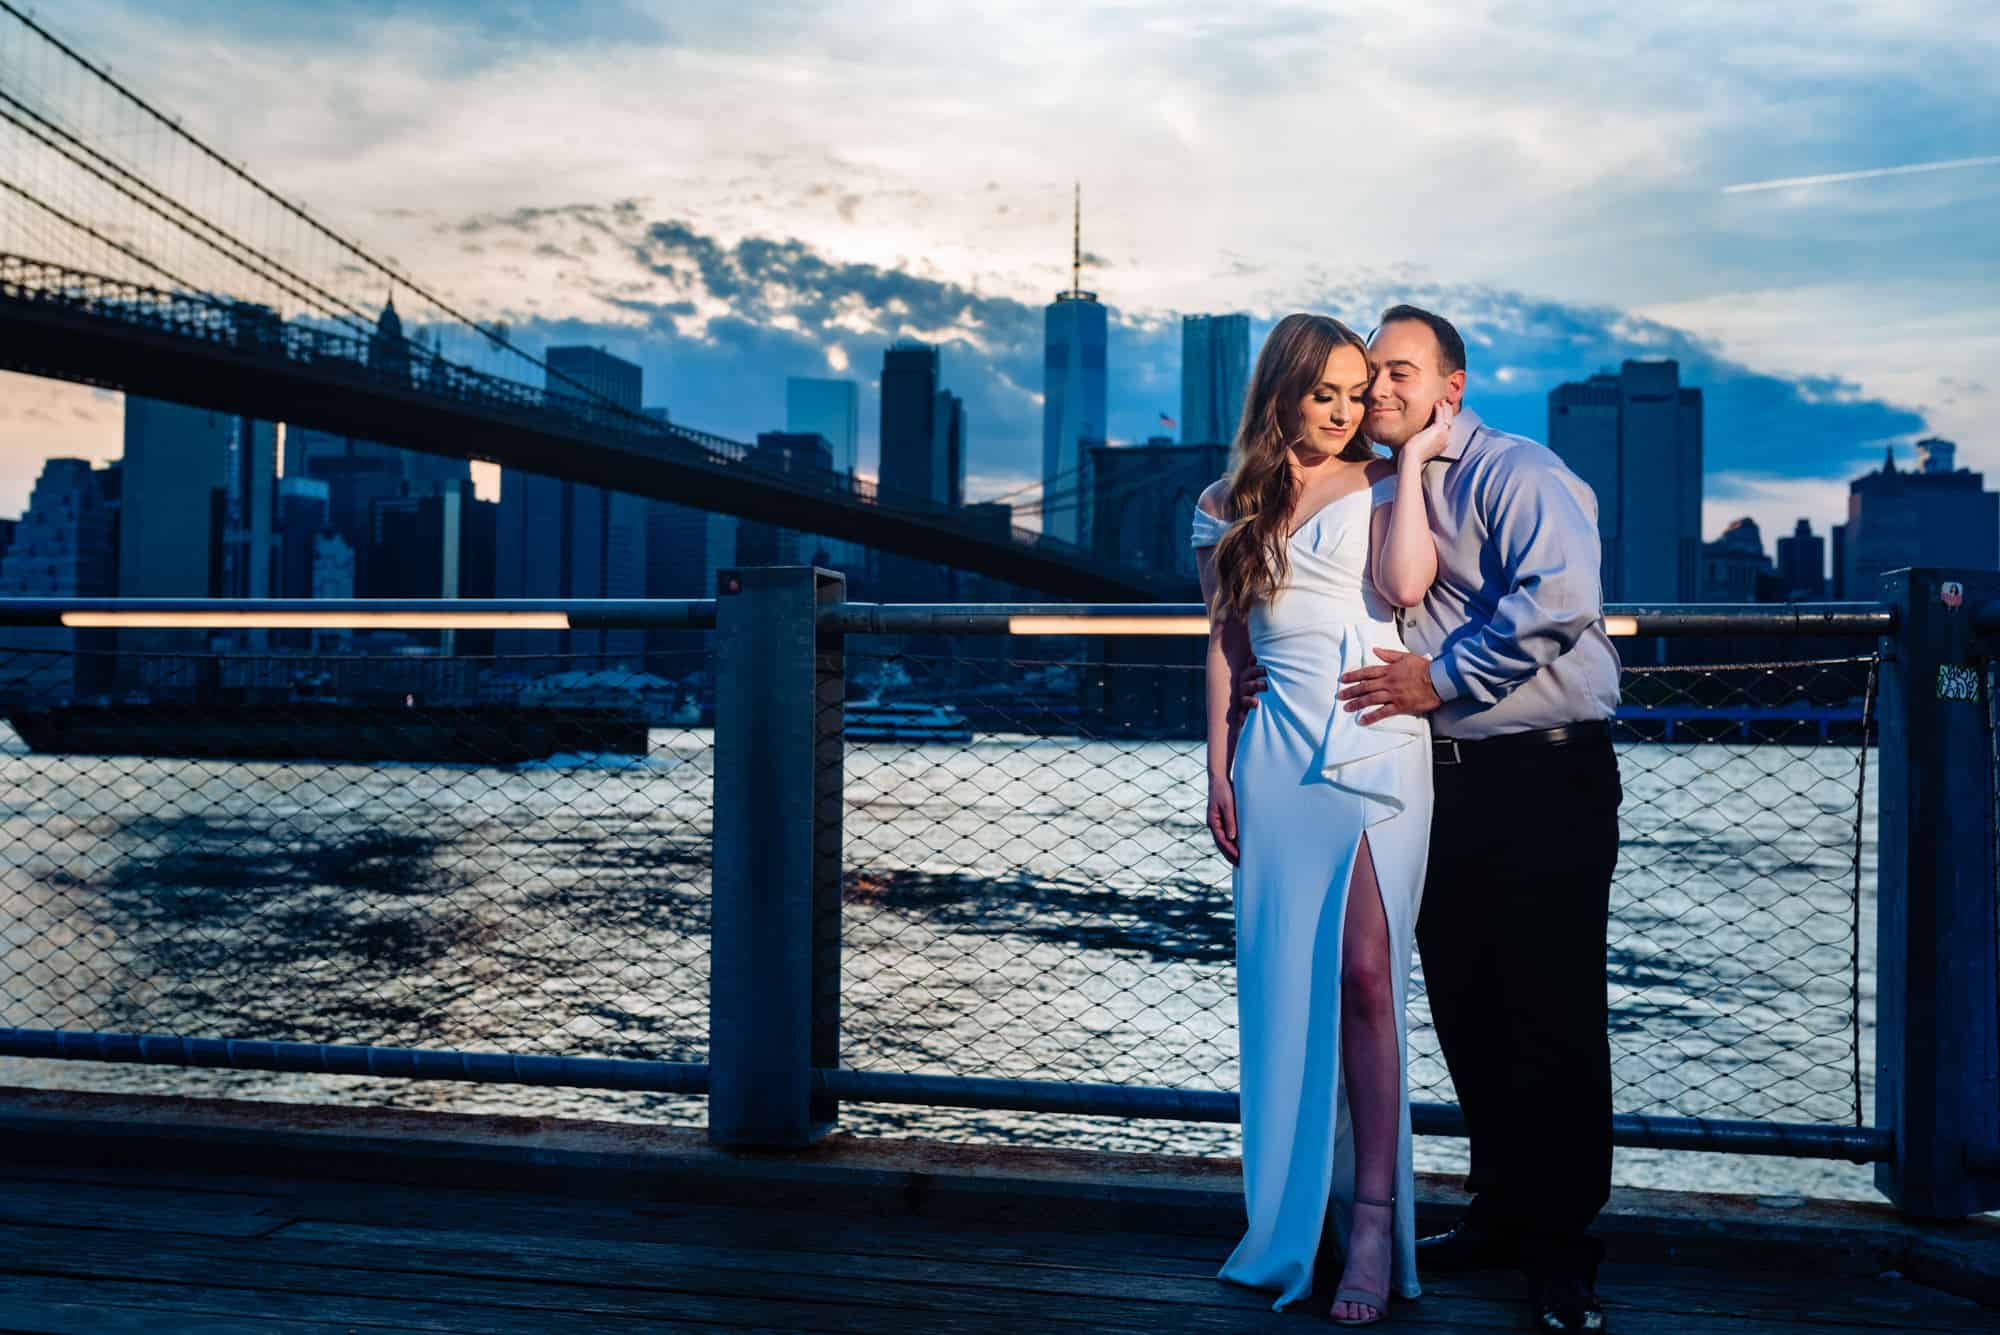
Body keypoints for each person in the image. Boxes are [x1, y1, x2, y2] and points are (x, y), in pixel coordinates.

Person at [1241, 304, 1622, 1334]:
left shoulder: (1515, 472)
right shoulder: (1365, 480)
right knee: (1463, 1004)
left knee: (1550, 1013)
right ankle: (1498, 1212)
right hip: (1432, 776)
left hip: (1541, 774)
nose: (1381, 392)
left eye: (1402, 374)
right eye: (1373, 376)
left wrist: (1438, 680)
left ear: (1451, 387)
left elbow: (1560, 601)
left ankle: (1558, 1254)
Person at [1194, 313, 1450, 1326]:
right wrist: (1216, 768)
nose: (1349, 413)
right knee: (1287, 987)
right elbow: (1221, 642)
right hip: (1270, 760)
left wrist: (1418, 456)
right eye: (1326, 395)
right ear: (1281, 397)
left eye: (1359, 394)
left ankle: (1379, 1220)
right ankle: (1299, 1217)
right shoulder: (1220, 504)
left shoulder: (1388, 483)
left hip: (1373, 742)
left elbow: (1400, 587)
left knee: (1365, 977)